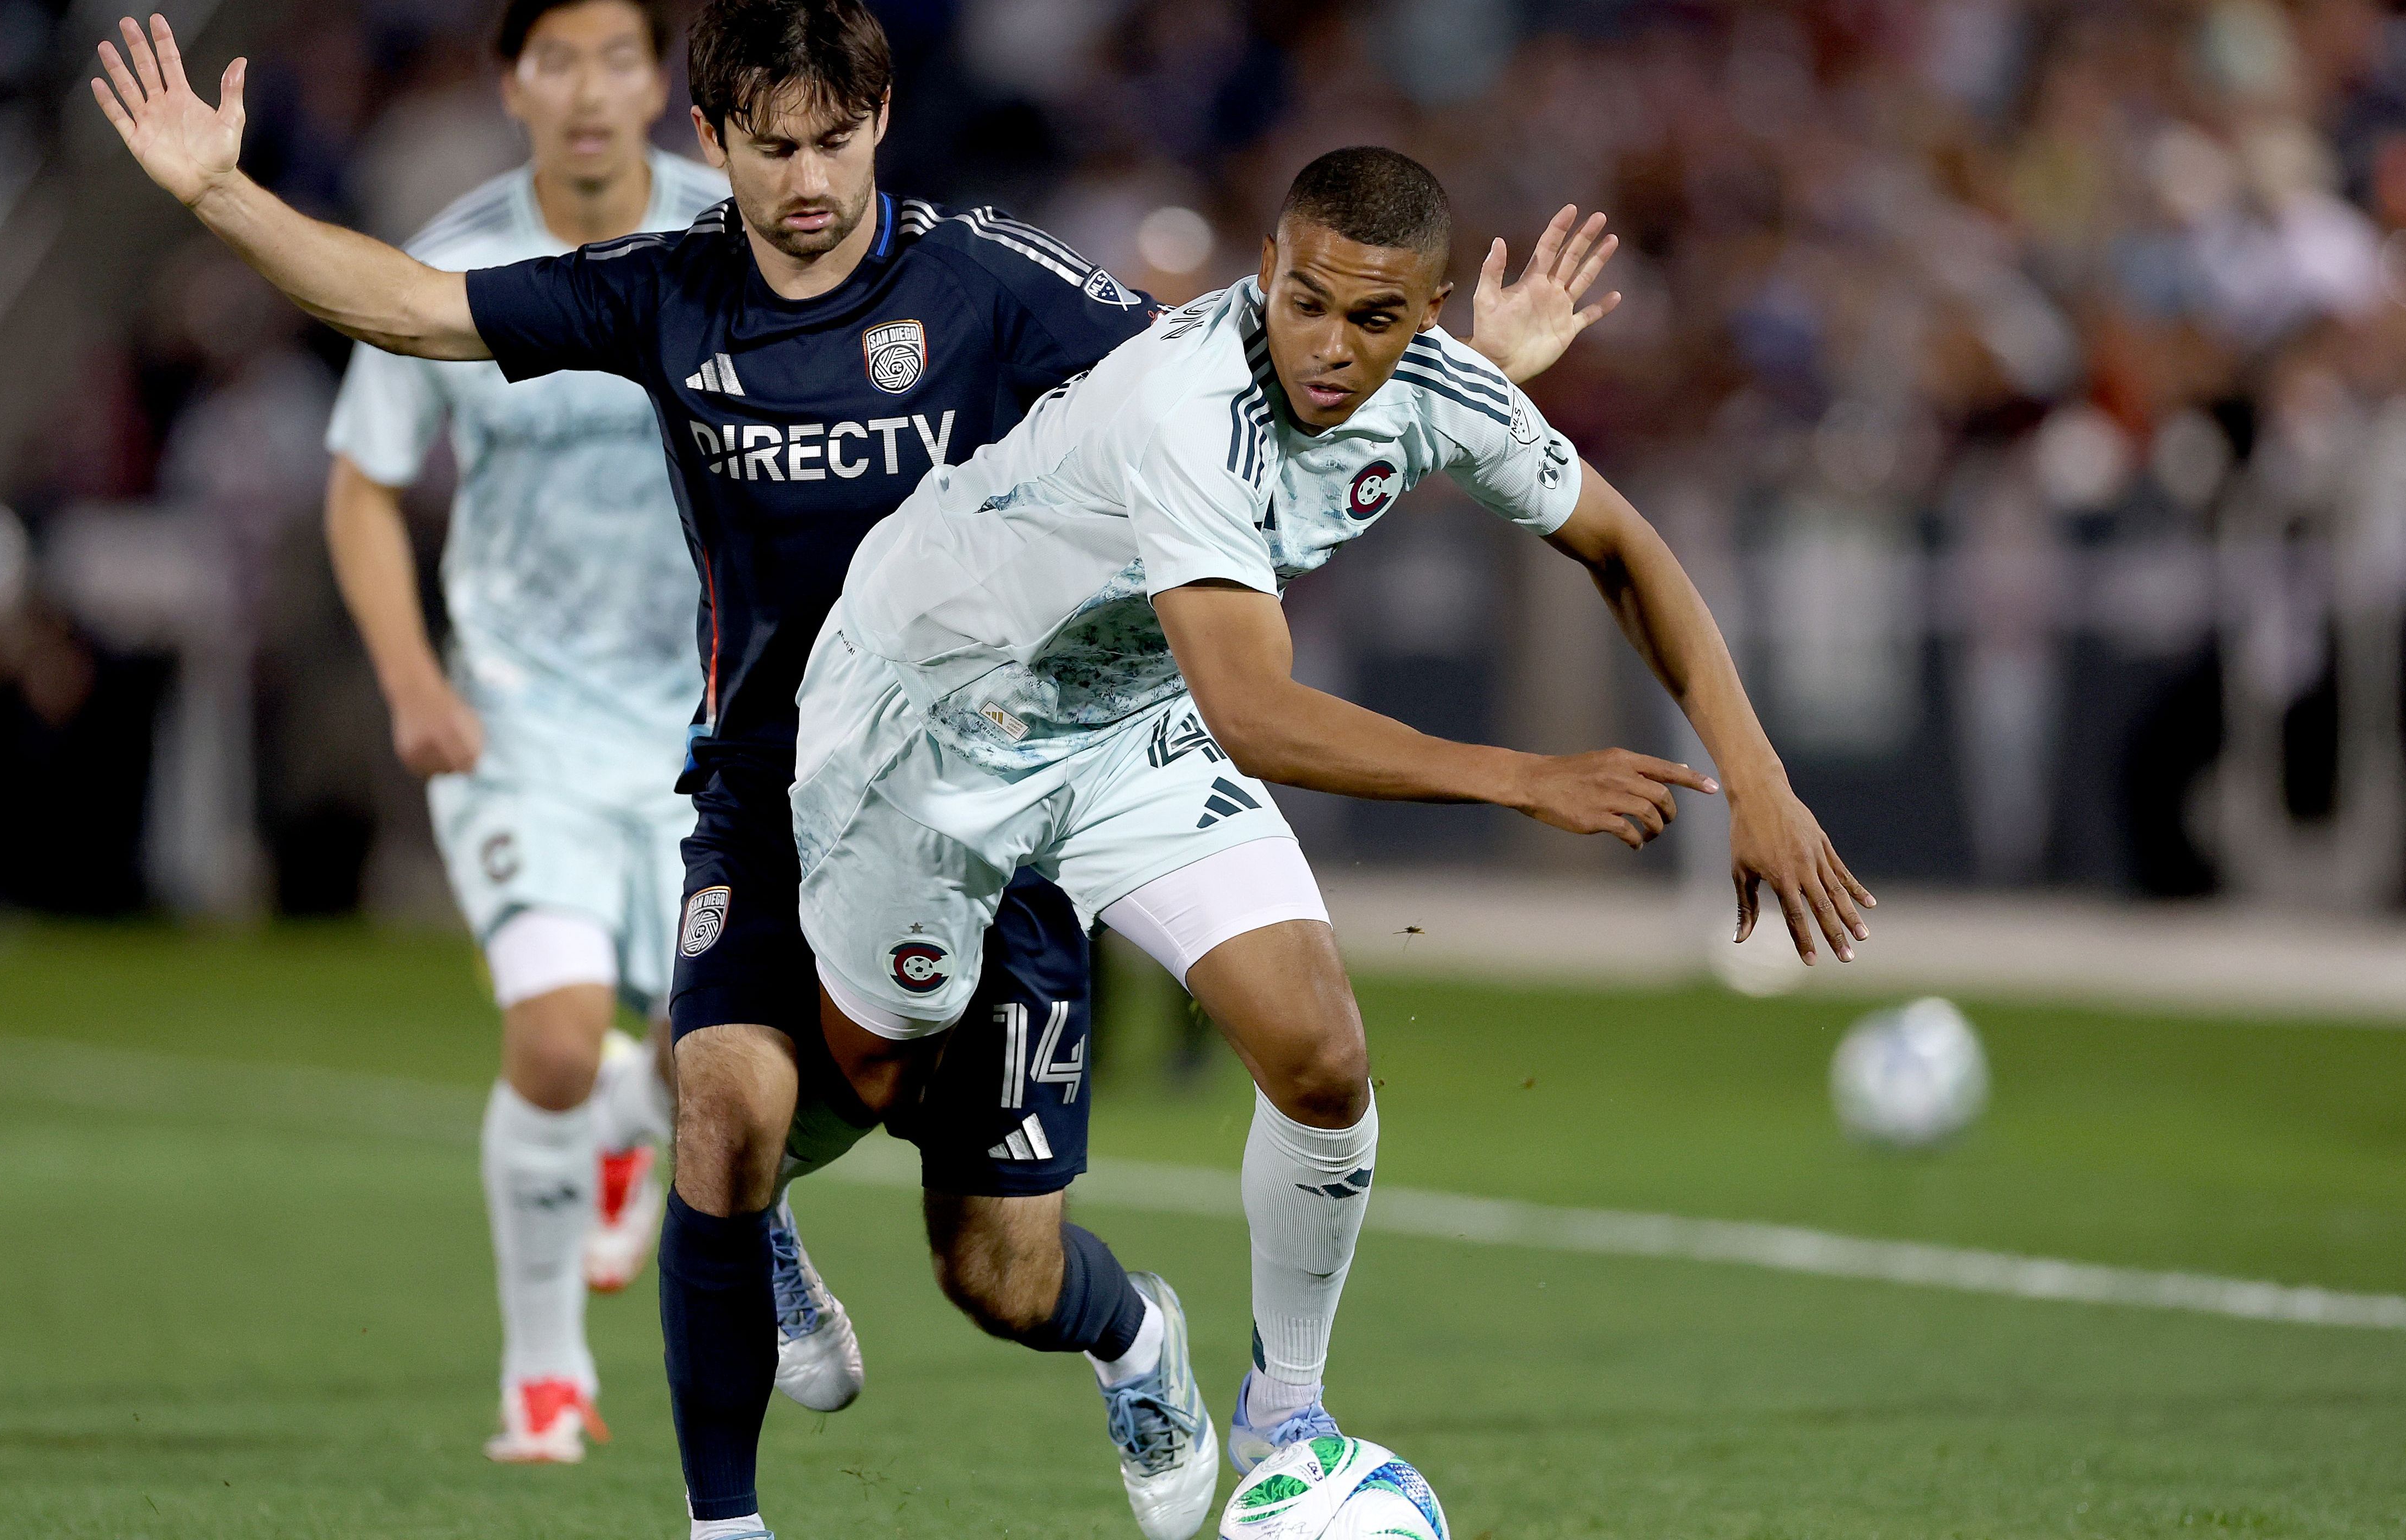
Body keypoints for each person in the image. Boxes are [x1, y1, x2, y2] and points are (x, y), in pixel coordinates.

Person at [88, 9, 1609, 1533]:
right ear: (712, 143)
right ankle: (724, 1506)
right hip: (770, 789)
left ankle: (1132, 1336)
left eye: (833, 137)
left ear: (880, 121)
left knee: (996, 1272)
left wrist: (1458, 377)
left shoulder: (990, 283)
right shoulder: (668, 291)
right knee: (720, 1109)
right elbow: (418, 309)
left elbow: (1238, 404)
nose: (806, 176)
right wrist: (218, 194)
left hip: (993, 789)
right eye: (770, 145)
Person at [792, 146, 1874, 1478]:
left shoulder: (1440, 386)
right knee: (867, 1072)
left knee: (1319, 1056)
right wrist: (1522, 775)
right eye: (1306, 301)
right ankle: (753, 1202)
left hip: (1123, 723)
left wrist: (1757, 780)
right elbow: (1253, 711)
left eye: (1374, 319)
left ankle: (1283, 1415)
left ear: (1426, 318)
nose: (1328, 345)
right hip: (929, 712)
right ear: (1266, 271)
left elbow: (1624, 545)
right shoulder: (1187, 405)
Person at [316, 0, 726, 1463]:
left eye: (620, 57)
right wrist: (415, 680)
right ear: (511, 85)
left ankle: (632, 1113)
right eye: (558, 61)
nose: (591, 90)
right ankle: (543, 1375)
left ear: (659, 83)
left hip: (706, 724)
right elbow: (363, 479)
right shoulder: (455, 262)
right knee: (552, 1042)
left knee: (711, 1064)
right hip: (523, 720)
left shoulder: (724, 238)